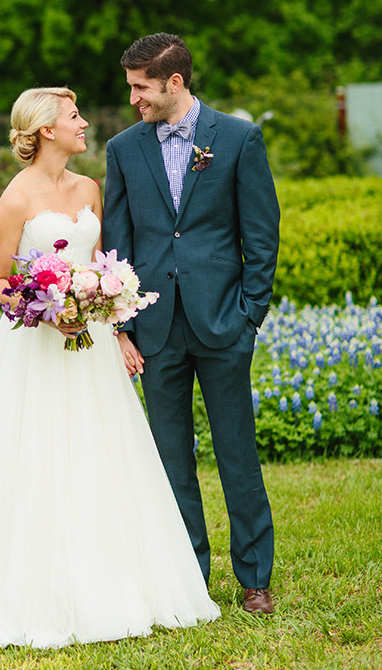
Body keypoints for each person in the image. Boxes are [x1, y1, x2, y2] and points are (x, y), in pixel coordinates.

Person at [0, 86, 220, 649]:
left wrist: (114, 320)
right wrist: (46, 312)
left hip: (92, 344)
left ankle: (112, 578)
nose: (84, 124)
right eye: (74, 117)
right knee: (35, 453)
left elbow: (102, 265)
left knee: (103, 450)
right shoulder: (15, 198)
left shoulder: (89, 188)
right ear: (47, 129)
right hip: (35, 346)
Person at [102, 34, 280, 615]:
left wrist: (248, 316)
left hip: (224, 323)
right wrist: (123, 327)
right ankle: (188, 579)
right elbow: (119, 244)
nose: (133, 99)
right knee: (170, 461)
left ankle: (255, 579)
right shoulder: (123, 149)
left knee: (237, 455)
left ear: (174, 82)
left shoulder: (238, 139)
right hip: (155, 331)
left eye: (141, 87)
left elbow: (262, 237)